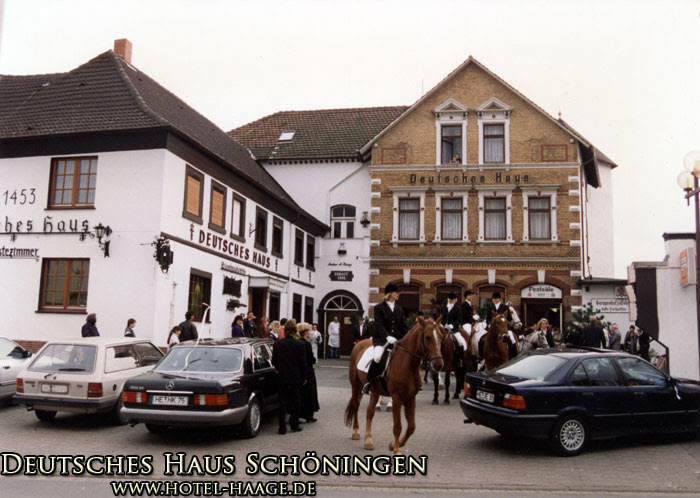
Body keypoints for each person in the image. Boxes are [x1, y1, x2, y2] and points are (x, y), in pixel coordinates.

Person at [362, 282, 407, 394]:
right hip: (382, 339)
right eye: (396, 292)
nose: (398, 294)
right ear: (390, 293)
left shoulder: (399, 309)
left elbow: (402, 325)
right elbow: (378, 324)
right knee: (377, 357)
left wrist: (406, 337)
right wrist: (387, 336)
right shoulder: (379, 308)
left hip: (396, 340)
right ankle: (369, 382)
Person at [272, 321, 307, 434]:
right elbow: (303, 363)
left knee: (282, 401)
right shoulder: (299, 345)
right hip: (295, 377)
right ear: (295, 331)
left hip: (282, 377)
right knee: (295, 401)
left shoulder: (277, 344)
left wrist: (280, 369)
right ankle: (294, 424)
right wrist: (304, 376)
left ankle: (282, 427)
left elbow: (274, 361)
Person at [298, 322, 319, 423]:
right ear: (306, 332)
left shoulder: (298, 342)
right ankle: (309, 415)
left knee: (301, 393)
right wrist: (313, 359)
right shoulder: (306, 344)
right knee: (310, 393)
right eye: (309, 331)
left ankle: (300, 413)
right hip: (308, 370)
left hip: (300, 370)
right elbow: (310, 359)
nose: (310, 332)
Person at [440, 292, 466, 367]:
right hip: (443, 328)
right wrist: (443, 323)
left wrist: (453, 325)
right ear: (447, 299)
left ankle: (459, 359)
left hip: (454, 329)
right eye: (449, 299)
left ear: (455, 300)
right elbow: (440, 317)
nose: (451, 301)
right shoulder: (443, 307)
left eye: (452, 300)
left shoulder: (458, 308)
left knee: (461, 342)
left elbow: (459, 319)